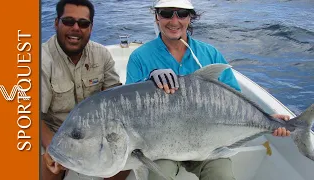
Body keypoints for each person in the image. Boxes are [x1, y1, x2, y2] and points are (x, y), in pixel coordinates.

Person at [125, 0, 290, 180]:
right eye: (166, 13)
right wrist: (147, 80)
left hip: (209, 143)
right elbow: (127, 109)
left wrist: (267, 118)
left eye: (181, 14)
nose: (174, 21)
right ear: (157, 17)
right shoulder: (140, 57)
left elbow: (234, 98)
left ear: (190, 18)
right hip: (159, 147)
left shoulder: (210, 54)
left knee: (222, 175)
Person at [41, 0, 130, 180]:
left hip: (95, 132)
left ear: (90, 27)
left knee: (123, 165)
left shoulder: (102, 54)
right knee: (47, 171)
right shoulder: (40, 60)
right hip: (54, 134)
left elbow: (116, 99)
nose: (76, 28)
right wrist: (53, 148)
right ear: (56, 22)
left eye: (83, 23)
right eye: (68, 21)